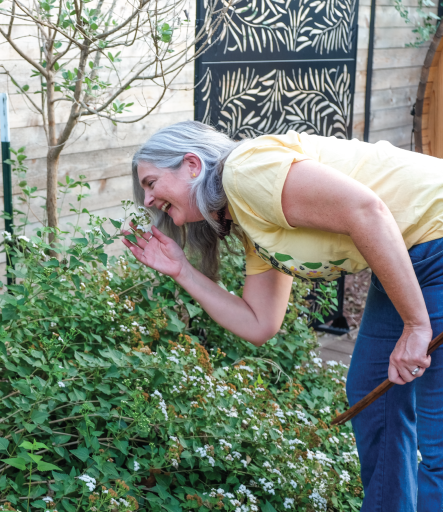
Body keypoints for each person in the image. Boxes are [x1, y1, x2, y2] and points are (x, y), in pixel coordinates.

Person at [124, 120, 443, 511]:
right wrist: (182, 271)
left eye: (151, 182)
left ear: (192, 165)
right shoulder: (246, 212)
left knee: (439, 435)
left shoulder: (245, 172)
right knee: (374, 394)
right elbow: (260, 323)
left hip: (436, 239)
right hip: (410, 255)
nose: (147, 200)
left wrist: (416, 324)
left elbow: (367, 210)